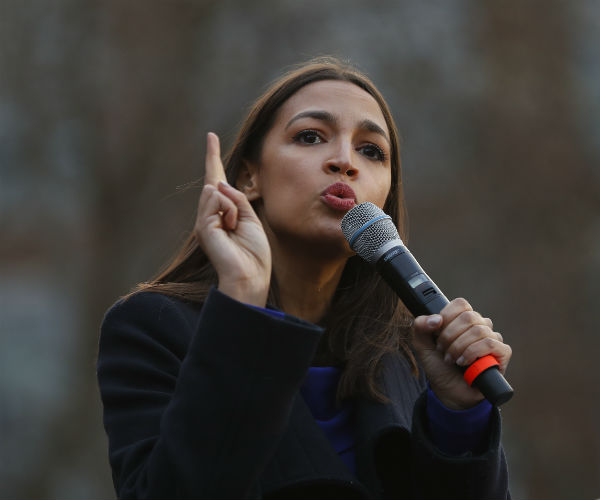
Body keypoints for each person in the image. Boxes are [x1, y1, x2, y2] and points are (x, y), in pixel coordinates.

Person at [97, 57, 512, 499]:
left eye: (371, 150)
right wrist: (241, 303)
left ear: (387, 198)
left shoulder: (414, 353)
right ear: (248, 176)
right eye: (310, 137)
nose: (344, 162)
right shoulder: (155, 328)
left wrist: (458, 416)